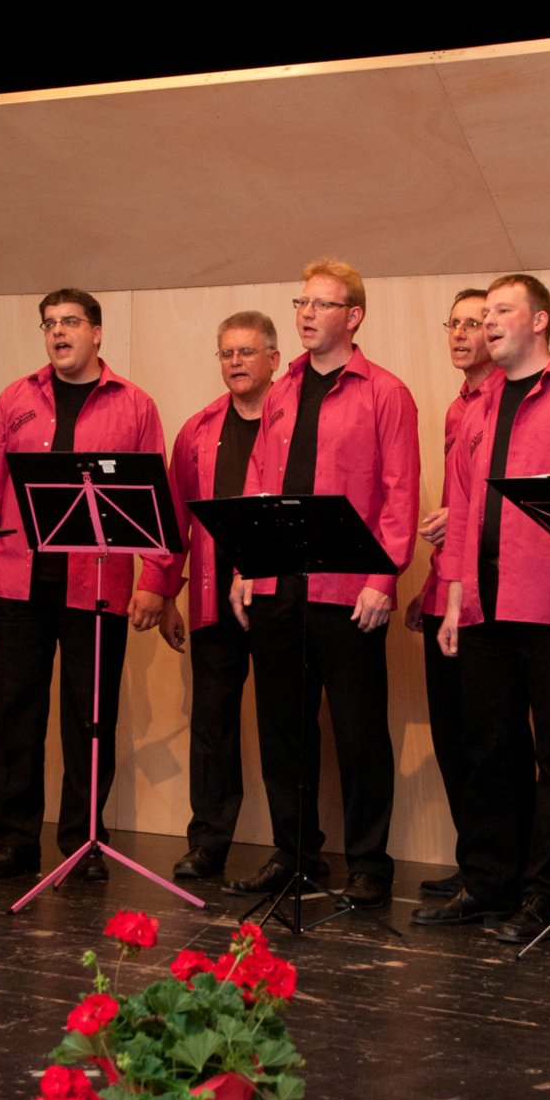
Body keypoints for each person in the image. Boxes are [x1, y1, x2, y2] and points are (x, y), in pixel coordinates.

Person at [420, 275, 550, 942]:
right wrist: (454, 598)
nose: (487, 325)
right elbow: (462, 511)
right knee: (487, 749)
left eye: (501, 312)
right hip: (482, 604)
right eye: (484, 315)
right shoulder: (475, 407)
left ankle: (545, 895)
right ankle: (488, 884)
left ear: (538, 320)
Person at [0, 289, 169, 884]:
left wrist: (155, 579)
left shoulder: (135, 405)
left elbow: (155, 497)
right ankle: (15, 843)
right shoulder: (15, 399)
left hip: (97, 586)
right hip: (19, 581)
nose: (58, 333)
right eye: (50, 324)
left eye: (70, 322)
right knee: (15, 713)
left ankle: (84, 842)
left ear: (97, 333)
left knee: (89, 717)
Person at [226, 258, 419, 907]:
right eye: (300, 303)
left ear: (353, 316)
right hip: (278, 586)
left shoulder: (384, 391)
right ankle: (297, 855)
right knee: (283, 728)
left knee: (360, 731)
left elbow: (400, 493)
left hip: (349, 592)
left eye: (320, 304)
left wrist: (382, 578)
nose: (306, 314)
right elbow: (258, 481)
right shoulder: (280, 390)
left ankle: (369, 863)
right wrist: (246, 565)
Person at [156, 312, 279, 882]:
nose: (235, 362)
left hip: (279, 597)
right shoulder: (198, 429)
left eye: (247, 352)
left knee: (285, 726)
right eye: (226, 353)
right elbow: (172, 520)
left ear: (274, 359)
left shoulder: (298, 421)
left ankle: (294, 852)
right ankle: (208, 844)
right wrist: (163, 593)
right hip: (210, 599)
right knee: (212, 725)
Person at [404, 288, 500, 899]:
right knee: (452, 738)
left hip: (487, 598)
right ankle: (473, 863)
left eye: (475, 323)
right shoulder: (455, 406)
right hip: (445, 588)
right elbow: (457, 503)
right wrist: (430, 580)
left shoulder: (504, 401)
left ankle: (492, 870)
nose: (461, 334)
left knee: (488, 742)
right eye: (454, 323)